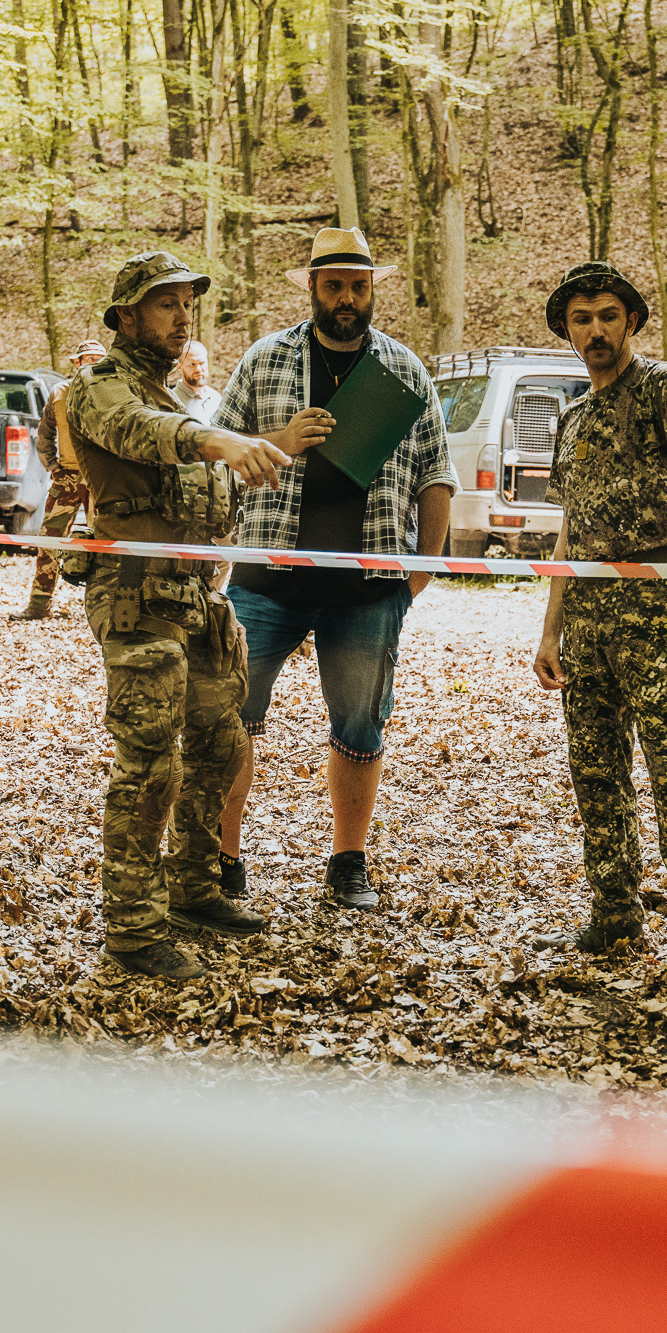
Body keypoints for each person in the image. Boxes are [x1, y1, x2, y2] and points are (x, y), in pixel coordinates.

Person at [215, 227, 457, 911]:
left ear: (372, 288)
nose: (346, 298)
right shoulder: (265, 361)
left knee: (361, 727)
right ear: (313, 289)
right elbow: (214, 451)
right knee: (230, 716)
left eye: (358, 285)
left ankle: (348, 861)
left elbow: (437, 476)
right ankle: (223, 860)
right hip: (265, 578)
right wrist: (278, 443)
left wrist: (422, 570)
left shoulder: (404, 370)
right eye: (334, 285)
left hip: (367, 589)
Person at [71, 250, 291, 981]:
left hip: (196, 597)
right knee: (148, 764)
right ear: (127, 315)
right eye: (166, 303)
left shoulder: (174, 398)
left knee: (220, 744)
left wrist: (254, 453)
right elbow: (138, 436)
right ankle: (131, 929)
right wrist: (215, 439)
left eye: (186, 303)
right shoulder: (100, 389)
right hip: (137, 600)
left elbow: (206, 493)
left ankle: (194, 891)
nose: (182, 315)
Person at [530, 262, 667, 979]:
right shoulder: (574, 418)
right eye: (582, 318)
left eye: (608, 316)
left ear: (630, 321)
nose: (596, 329)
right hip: (588, 623)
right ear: (569, 329)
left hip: (660, 620)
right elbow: (570, 526)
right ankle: (614, 915)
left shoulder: (662, 386)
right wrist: (549, 630)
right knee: (596, 776)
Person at [8, 337, 106, 622]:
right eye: (87, 360)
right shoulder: (59, 392)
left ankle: (105, 606)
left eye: (99, 360)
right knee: (49, 540)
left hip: (101, 480)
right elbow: (45, 434)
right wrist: (53, 466)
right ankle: (39, 605)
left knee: (106, 542)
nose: (93, 365)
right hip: (67, 477)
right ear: (76, 363)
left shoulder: (114, 394)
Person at [172, 339, 221, 425]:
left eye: (202, 363)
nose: (198, 369)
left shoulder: (215, 397)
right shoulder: (173, 402)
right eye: (192, 364)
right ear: (179, 366)